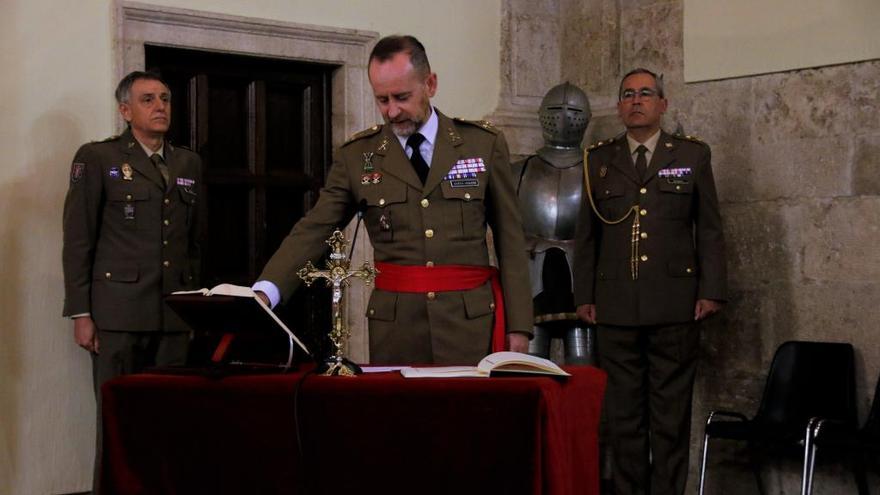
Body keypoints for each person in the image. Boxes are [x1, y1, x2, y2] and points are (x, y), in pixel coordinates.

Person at [253, 35, 532, 364]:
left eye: (402, 97)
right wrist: (266, 291)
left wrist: (520, 327)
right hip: (397, 329)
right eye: (382, 100)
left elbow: (511, 240)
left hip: (468, 325)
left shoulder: (482, 145)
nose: (392, 111)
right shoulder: (358, 156)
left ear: (430, 84)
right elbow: (315, 228)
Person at [573, 68, 727, 495]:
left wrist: (711, 289)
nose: (635, 101)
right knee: (623, 420)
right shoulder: (598, 160)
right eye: (627, 95)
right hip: (616, 307)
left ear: (662, 104)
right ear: (619, 106)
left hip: (675, 305)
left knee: (670, 419)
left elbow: (709, 227)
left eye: (645, 94)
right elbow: (586, 235)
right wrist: (583, 294)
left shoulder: (691, 156)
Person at [62, 71, 202, 490]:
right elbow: (78, 239)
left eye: (164, 98)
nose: (160, 106)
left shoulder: (187, 163)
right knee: (118, 423)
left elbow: (193, 243)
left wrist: (193, 308)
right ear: (125, 110)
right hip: (118, 316)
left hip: (173, 317)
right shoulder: (98, 158)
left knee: (167, 424)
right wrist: (81, 312)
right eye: (147, 100)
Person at [513, 81, 595, 365]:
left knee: (583, 367)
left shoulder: (597, 170)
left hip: (582, 279)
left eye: (572, 110)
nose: (563, 117)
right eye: (555, 110)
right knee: (529, 367)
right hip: (532, 273)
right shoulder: (519, 171)